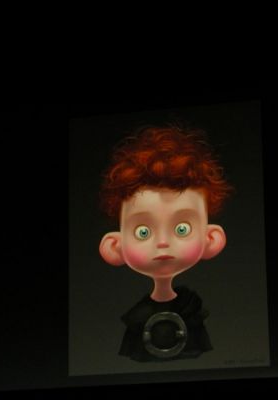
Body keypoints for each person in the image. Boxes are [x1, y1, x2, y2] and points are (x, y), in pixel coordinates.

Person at [99, 124, 233, 361]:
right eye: (143, 232)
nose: (162, 242)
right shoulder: (138, 317)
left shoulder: (192, 309)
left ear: (211, 238)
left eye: (182, 229)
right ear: (114, 245)